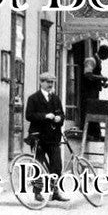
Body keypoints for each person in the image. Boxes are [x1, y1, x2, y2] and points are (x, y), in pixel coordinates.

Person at [24, 72, 67, 202]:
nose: (50, 85)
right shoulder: (33, 98)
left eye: (52, 83)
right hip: (38, 137)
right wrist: (45, 116)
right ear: (41, 83)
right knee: (39, 164)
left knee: (56, 166)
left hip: (53, 137)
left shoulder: (56, 99)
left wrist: (59, 118)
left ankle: (55, 192)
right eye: (47, 82)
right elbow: (29, 115)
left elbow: (62, 115)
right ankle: (37, 192)